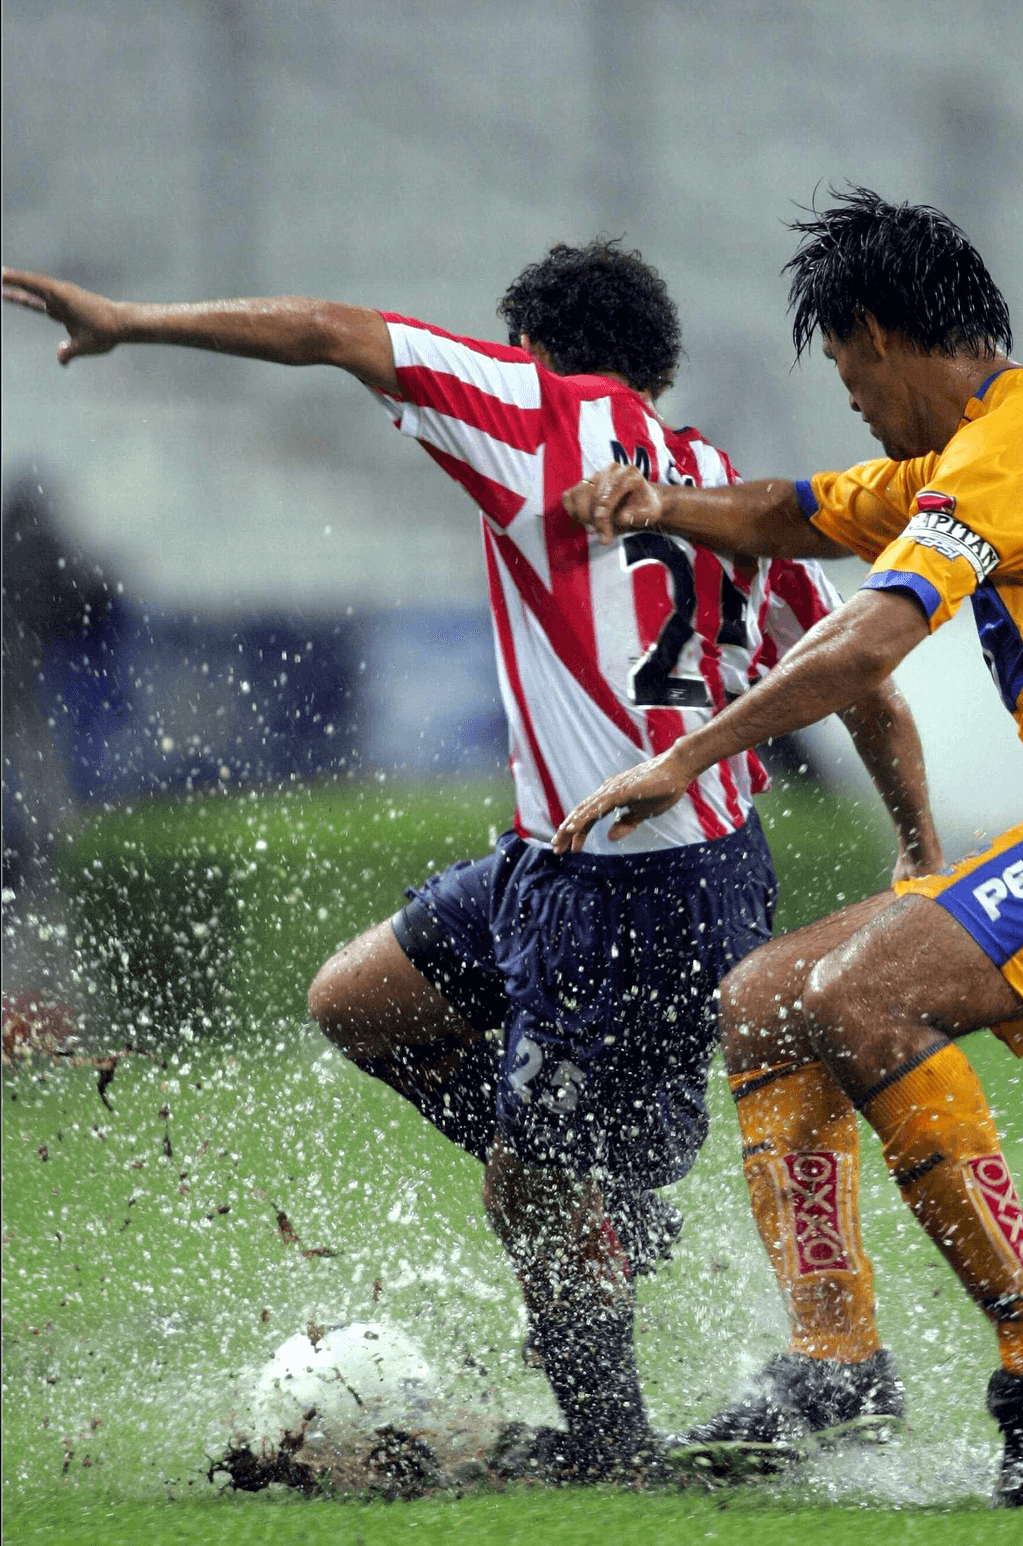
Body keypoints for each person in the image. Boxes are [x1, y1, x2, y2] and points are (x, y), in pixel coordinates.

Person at [3, 243, 941, 1480]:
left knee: (527, 1189)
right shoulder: (715, 479)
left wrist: (132, 317)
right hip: (597, 865)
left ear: (535, 349)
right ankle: (602, 1195)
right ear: (653, 366)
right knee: (357, 998)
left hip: (634, 885)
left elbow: (334, 327)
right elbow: (855, 671)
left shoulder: (533, 408)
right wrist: (918, 839)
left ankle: (613, 1454)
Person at [554, 189, 1023, 1505]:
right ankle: (837, 1358)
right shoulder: (984, 455)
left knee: (856, 995)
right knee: (762, 999)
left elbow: (866, 643)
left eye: (846, 370)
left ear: (880, 333)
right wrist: (661, 504)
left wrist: (686, 756)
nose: (853, 401)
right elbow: (797, 513)